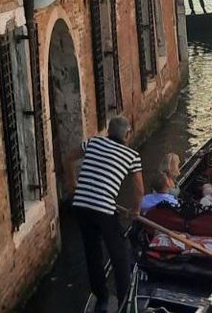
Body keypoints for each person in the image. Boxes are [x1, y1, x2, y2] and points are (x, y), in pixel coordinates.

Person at [70, 116, 143, 313]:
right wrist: (135, 211)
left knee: (93, 254)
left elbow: (70, 157)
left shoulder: (93, 142)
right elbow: (139, 190)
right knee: (120, 256)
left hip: (80, 205)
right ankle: (123, 301)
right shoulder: (132, 156)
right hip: (103, 209)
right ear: (127, 134)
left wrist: (73, 185)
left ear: (109, 132)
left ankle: (102, 298)